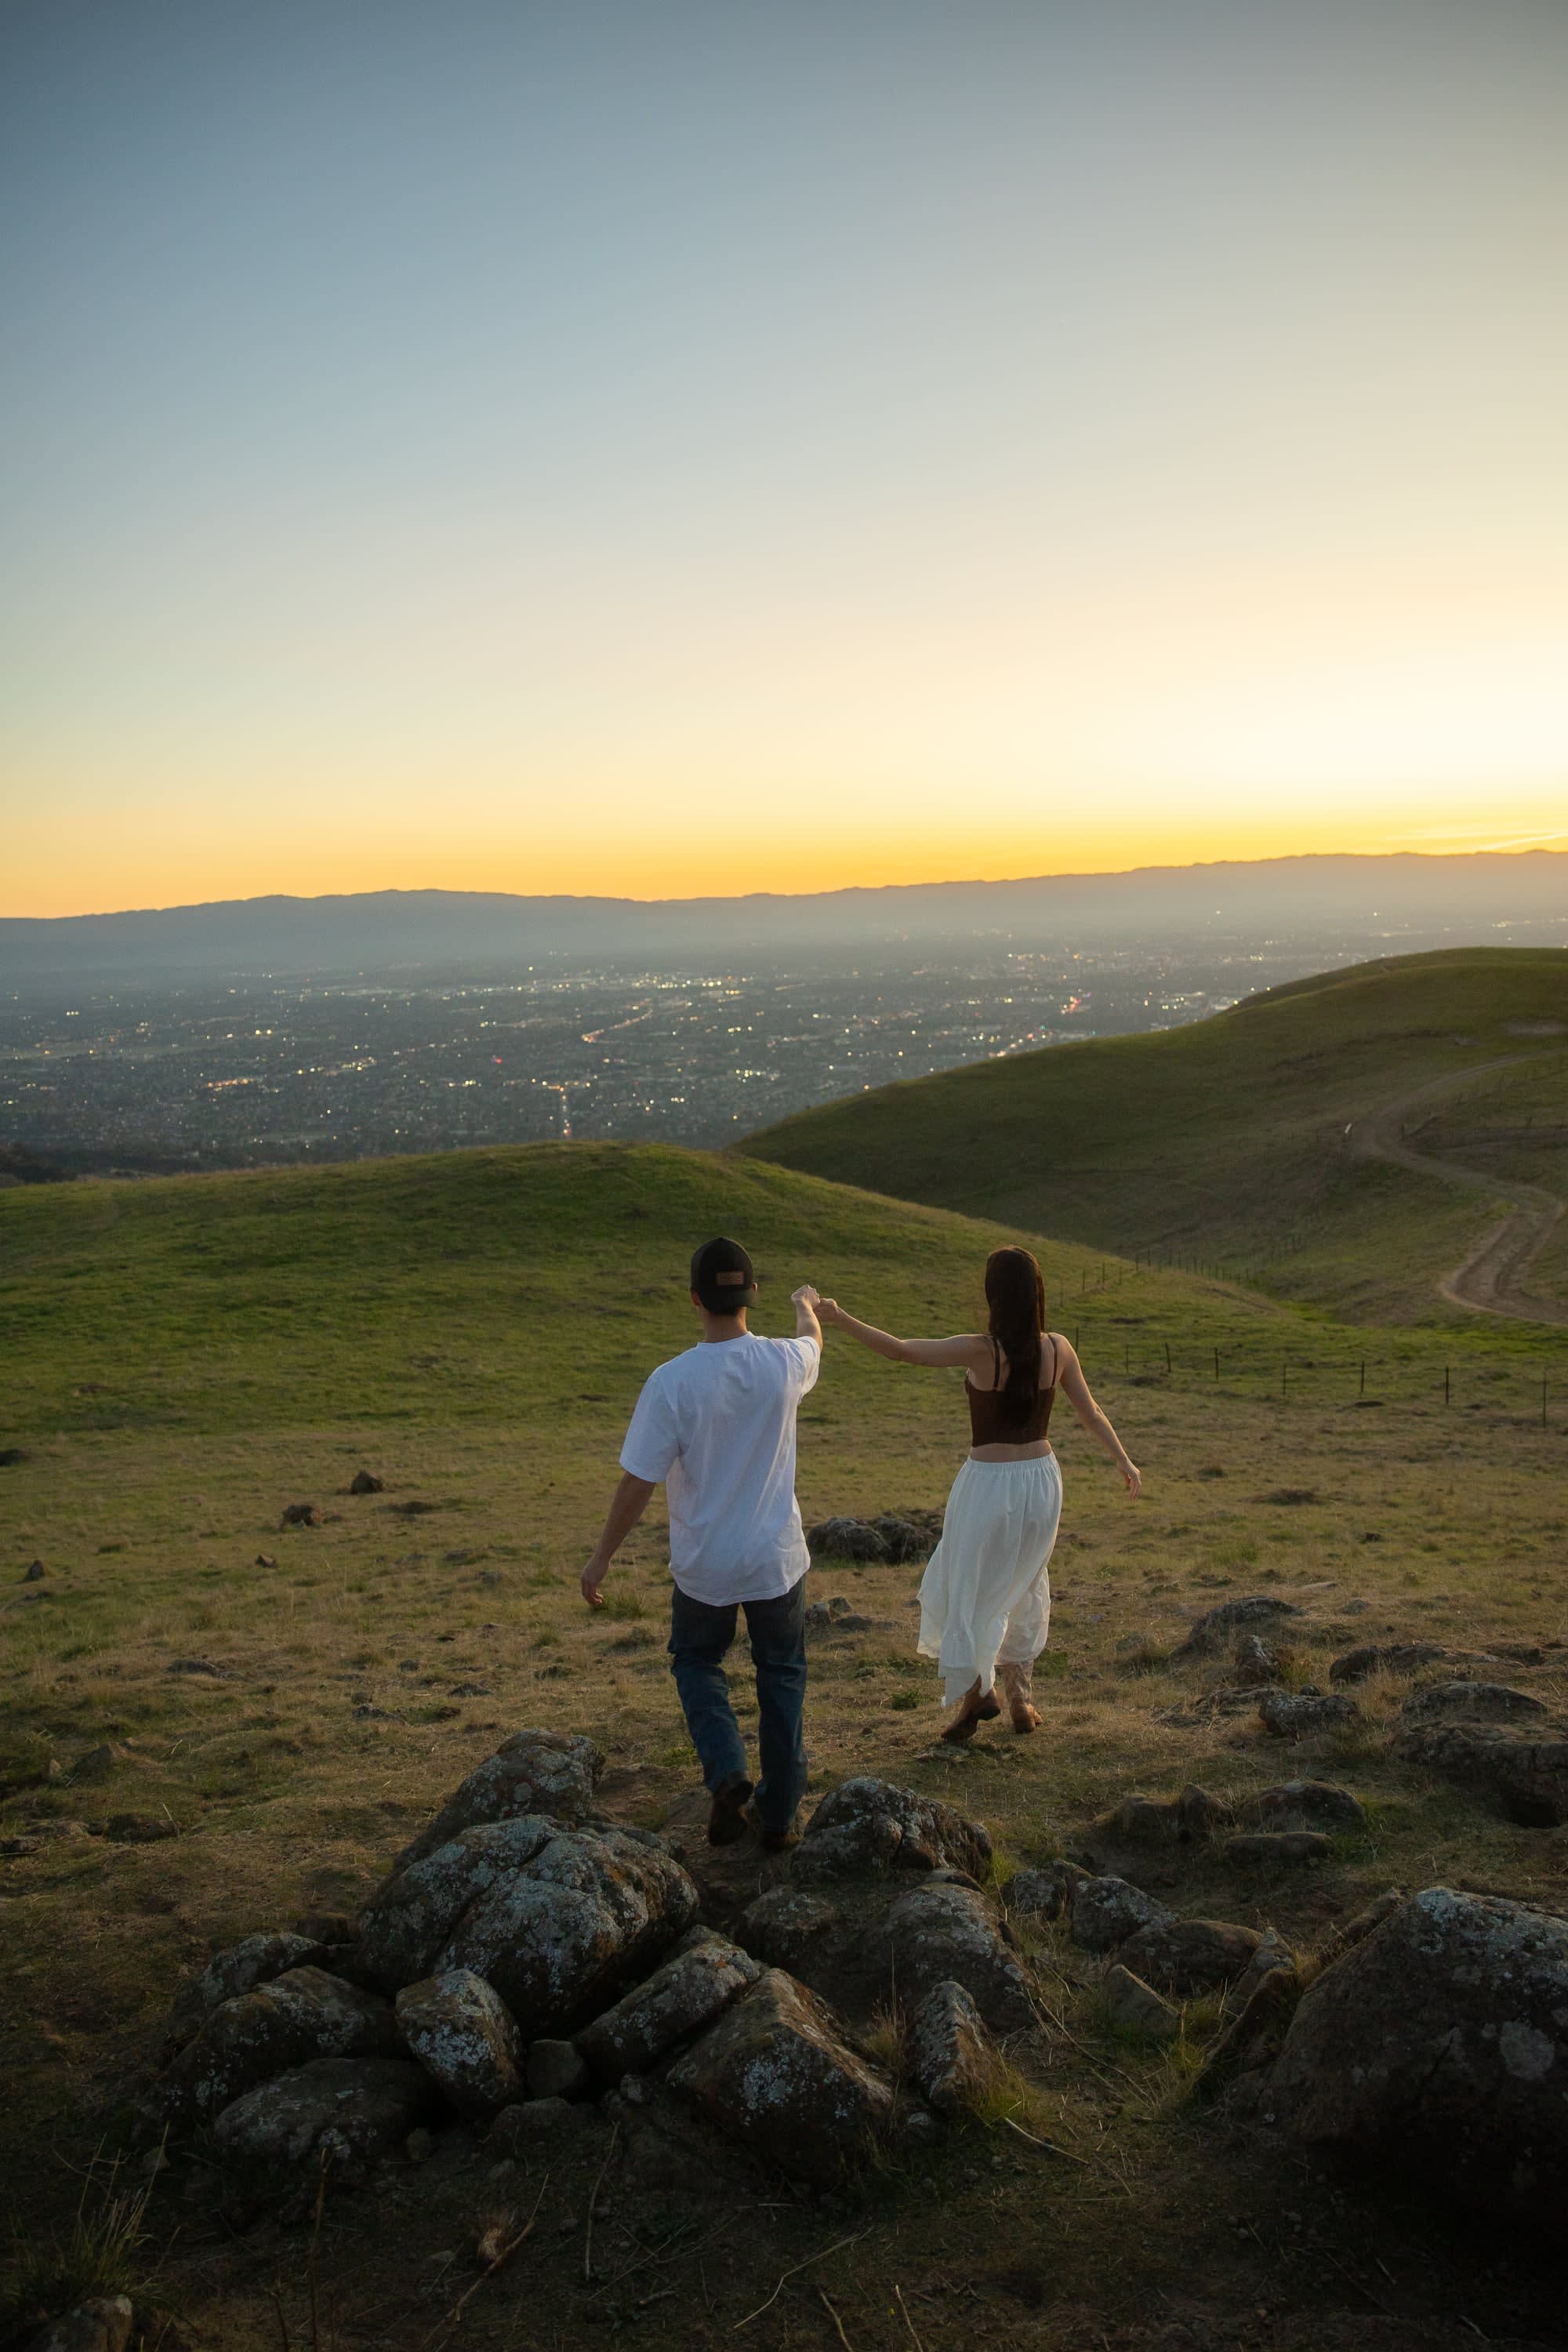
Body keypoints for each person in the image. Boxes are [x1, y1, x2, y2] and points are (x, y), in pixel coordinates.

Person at [797, 1247, 1139, 1742]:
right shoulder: (1059, 1348)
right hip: (1043, 1481)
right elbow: (1090, 1413)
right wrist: (1123, 1460)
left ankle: (977, 1693)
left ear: (993, 1295)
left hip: (989, 1480)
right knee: (1025, 1580)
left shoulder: (983, 1350)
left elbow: (903, 1350)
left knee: (969, 1583)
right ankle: (1021, 1696)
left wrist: (839, 1317)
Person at [580, 1236, 823, 1850]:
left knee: (696, 1662)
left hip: (704, 1566)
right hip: (775, 1560)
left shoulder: (671, 1383)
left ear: (695, 1299)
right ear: (751, 1294)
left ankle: (726, 1771)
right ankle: (778, 1817)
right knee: (783, 1676)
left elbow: (638, 1481)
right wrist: (807, 1304)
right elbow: (814, 1340)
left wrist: (601, 1558)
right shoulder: (783, 1363)